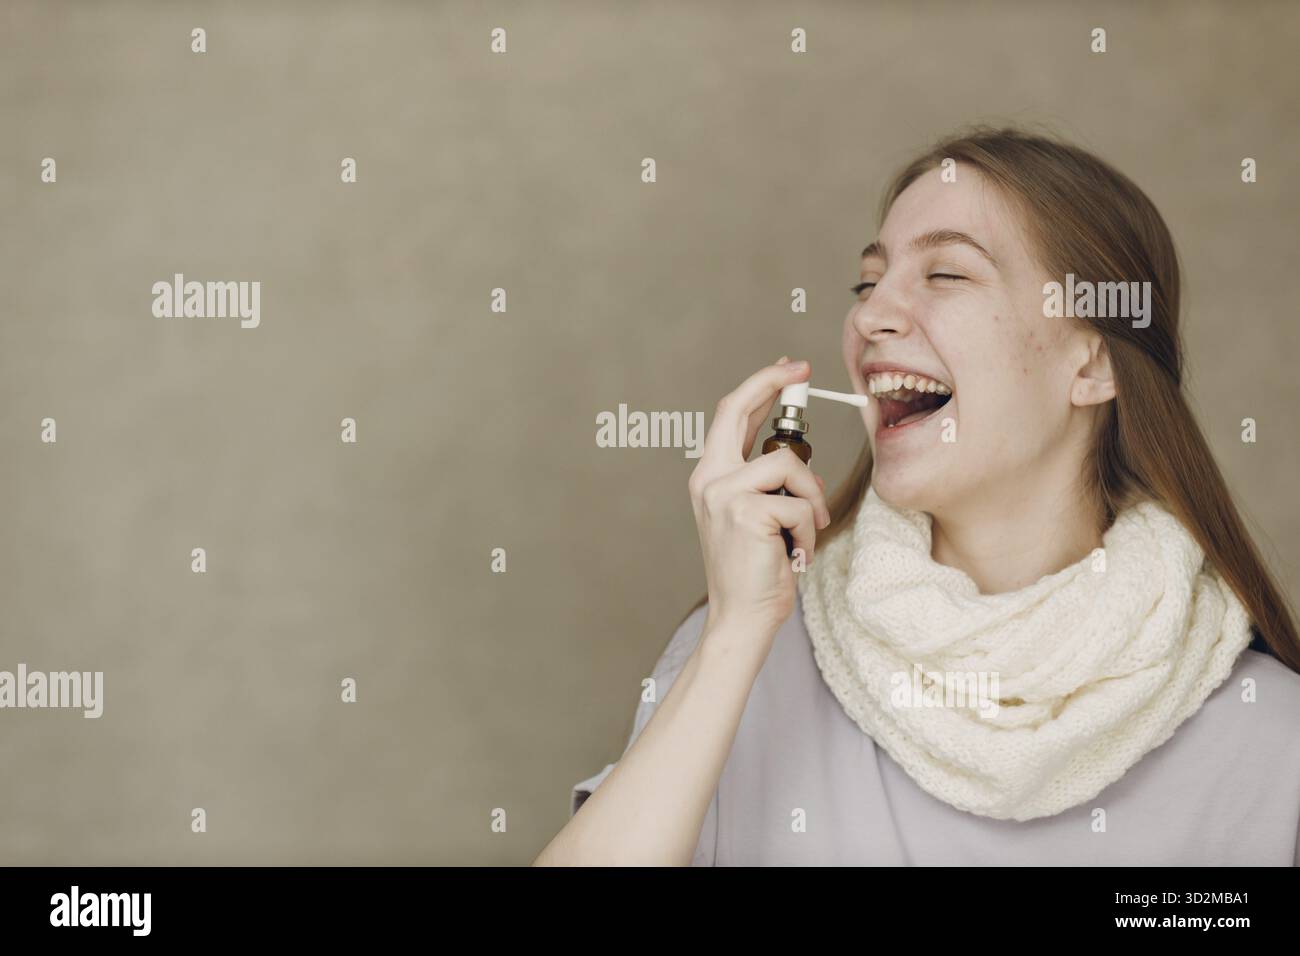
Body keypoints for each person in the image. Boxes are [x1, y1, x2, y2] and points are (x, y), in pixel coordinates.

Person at [534, 127, 1300, 866]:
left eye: (947, 275)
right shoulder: (747, 659)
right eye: (867, 284)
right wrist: (733, 636)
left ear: (1093, 362)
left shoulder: (1270, 739)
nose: (870, 316)